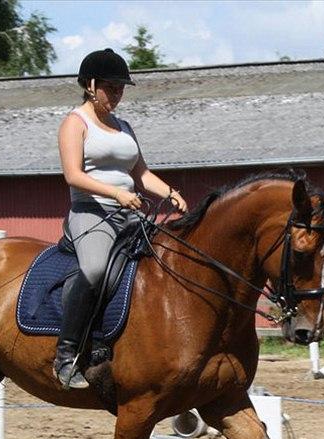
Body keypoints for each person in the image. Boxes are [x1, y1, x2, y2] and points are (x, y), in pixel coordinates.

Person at [55, 48, 188, 389]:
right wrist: (116, 194)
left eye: (121, 89)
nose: (117, 95)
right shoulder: (75, 123)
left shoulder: (124, 126)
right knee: (96, 270)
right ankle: (67, 355)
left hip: (127, 213)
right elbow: (72, 175)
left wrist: (170, 192)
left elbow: (141, 173)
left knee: (163, 263)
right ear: (91, 86)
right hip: (90, 213)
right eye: (111, 88)